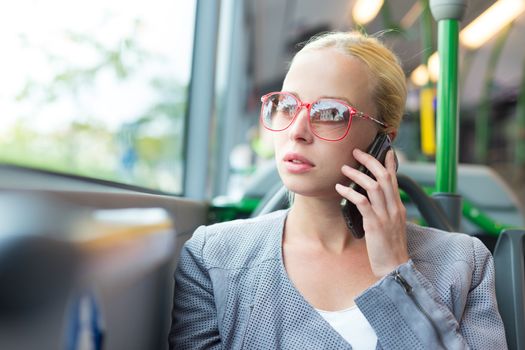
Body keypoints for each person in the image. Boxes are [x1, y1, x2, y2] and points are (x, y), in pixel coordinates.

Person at [169, 31, 507, 349]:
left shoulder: (464, 264)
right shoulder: (213, 258)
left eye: (329, 112)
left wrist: (397, 274)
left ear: (382, 139)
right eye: (286, 105)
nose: (297, 131)